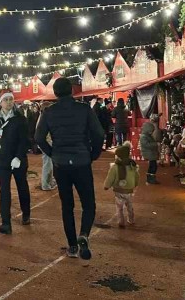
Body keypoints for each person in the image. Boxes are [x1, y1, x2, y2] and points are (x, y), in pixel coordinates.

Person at [35, 77, 104, 260]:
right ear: (72, 91)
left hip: (61, 163)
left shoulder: (49, 112)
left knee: (67, 205)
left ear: (55, 93)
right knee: (88, 203)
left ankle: (72, 246)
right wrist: (93, 154)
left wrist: (52, 153)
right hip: (82, 161)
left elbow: (39, 137)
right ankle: (84, 234)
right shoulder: (84, 109)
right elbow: (99, 134)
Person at [0, 92, 31, 235]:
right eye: (6, 100)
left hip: (18, 160)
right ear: (0, 102)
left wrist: (19, 157)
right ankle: (6, 222)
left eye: (11, 99)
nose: (9, 102)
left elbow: (25, 140)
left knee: (22, 187)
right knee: (4, 191)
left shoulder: (20, 119)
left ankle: (26, 214)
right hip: (2, 160)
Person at [103, 142, 139, 228]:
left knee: (119, 207)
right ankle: (131, 219)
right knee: (129, 206)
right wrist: (135, 184)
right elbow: (137, 176)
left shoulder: (115, 167)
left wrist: (106, 186)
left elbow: (110, 177)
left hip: (118, 190)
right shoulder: (132, 165)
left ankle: (121, 221)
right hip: (129, 190)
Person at [37, 102, 57, 192]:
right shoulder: (44, 118)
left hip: (46, 142)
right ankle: (45, 184)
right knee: (48, 164)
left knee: (49, 163)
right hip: (47, 143)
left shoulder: (42, 117)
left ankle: (49, 181)